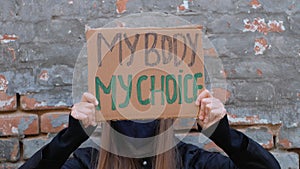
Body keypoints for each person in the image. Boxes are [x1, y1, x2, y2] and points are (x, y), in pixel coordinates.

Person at [19, 90, 281, 169]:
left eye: (145, 98)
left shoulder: (192, 163)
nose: (138, 109)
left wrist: (222, 134)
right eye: (127, 98)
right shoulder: (89, 164)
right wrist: (70, 138)